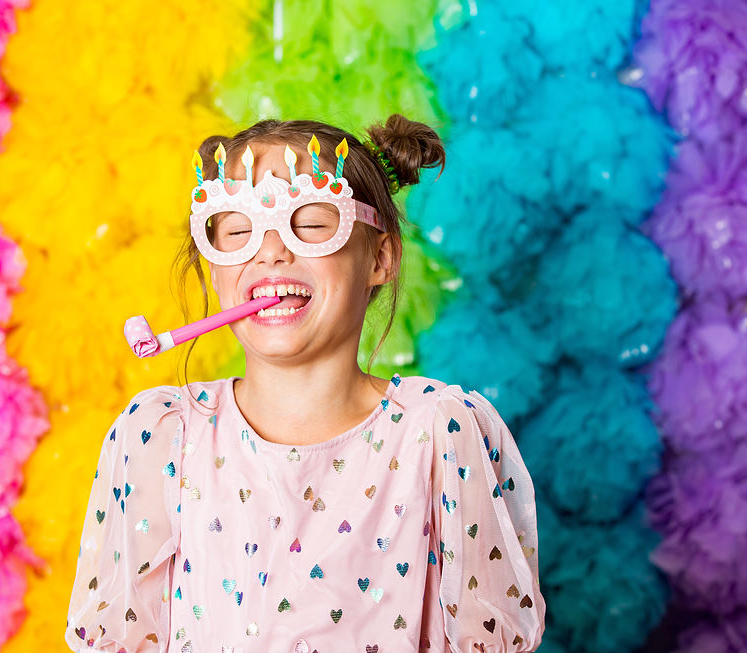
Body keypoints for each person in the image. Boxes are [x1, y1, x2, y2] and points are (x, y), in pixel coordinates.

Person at [64, 115, 547, 652]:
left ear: (380, 259)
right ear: (212, 268)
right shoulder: (159, 437)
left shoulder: (440, 432)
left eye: (313, 224)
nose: (270, 251)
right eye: (239, 231)